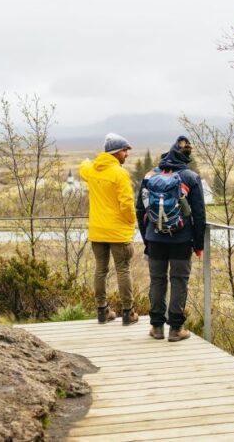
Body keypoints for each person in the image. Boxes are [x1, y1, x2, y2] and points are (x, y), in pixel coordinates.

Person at [136, 136, 206, 342]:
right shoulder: (190, 177)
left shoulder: (150, 175)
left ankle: (156, 327)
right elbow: (199, 214)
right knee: (179, 282)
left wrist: (147, 238)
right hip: (181, 239)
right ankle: (176, 329)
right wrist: (198, 244)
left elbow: (140, 209)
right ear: (187, 156)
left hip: (154, 238)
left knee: (157, 281)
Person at [79, 133, 139, 325]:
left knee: (100, 270)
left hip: (97, 230)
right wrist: (132, 221)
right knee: (123, 269)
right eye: (124, 150)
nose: (127, 154)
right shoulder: (120, 174)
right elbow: (127, 203)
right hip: (117, 231)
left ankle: (102, 311)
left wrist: (87, 160)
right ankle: (128, 313)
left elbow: (83, 167)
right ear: (115, 152)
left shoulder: (93, 170)